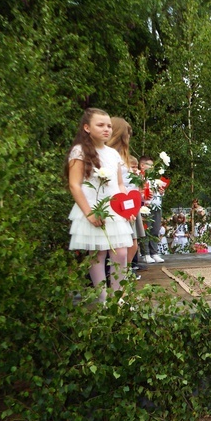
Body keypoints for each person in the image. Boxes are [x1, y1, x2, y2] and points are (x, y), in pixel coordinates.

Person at [65, 108, 133, 302]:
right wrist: (89, 213)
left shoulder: (112, 154)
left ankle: (119, 298)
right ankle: (103, 300)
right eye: (100, 125)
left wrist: (127, 208)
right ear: (87, 127)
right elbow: (74, 184)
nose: (107, 129)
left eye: (109, 126)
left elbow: (119, 185)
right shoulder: (80, 151)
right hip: (93, 208)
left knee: (121, 252)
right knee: (98, 253)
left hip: (114, 209)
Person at [107, 117, 146, 275]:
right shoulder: (110, 157)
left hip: (129, 204)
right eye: (127, 135)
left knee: (132, 245)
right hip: (117, 205)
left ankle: (123, 275)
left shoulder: (122, 157)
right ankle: (116, 276)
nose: (129, 139)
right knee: (122, 247)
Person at [139, 155, 165, 263]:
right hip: (146, 207)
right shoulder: (140, 177)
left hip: (156, 206)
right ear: (142, 165)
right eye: (149, 165)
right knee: (146, 230)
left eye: (152, 165)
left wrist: (162, 192)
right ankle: (145, 253)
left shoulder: (155, 179)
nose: (152, 167)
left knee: (155, 229)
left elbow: (160, 193)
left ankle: (154, 252)